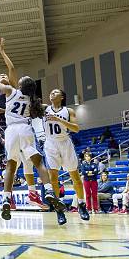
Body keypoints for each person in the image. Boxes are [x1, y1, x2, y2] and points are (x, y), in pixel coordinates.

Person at [0, 70, 65, 220]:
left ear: (21, 85)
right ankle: (48, 190)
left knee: (11, 166)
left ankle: (6, 198)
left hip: (11, 131)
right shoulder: (31, 100)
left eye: (22, 79)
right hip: (25, 129)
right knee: (39, 163)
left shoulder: (11, 91)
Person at [0, 40, 47, 210]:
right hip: (5, 127)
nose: (3, 76)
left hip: (18, 124)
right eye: (0, 76)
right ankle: (10, 196)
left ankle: (31, 194)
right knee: (15, 161)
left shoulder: (15, 90)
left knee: (27, 161)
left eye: (5, 76)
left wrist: (3, 52)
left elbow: (11, 69)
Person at [43, 89, 90, 225]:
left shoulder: (68, 111)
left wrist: (58, 120)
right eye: (50, 92)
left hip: (65, 142)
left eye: (56, 92)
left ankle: (81, 205)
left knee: (75, 176)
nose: (52, 93)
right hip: (50, 143)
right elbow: (28, 104)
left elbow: (76, 128)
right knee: (53, 179)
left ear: (62, 97)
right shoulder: (44, 109)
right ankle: (59, 210)